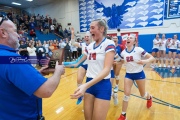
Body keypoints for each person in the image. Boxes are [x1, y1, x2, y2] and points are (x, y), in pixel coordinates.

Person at [0, 15, 65, 119]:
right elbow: (46, 90)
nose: (18, 36)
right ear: (3, 33)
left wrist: (37, 74)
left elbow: (9, 83)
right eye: (15, 31)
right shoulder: (13, 59)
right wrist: (58, 71)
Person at [71, 19, 115, 120]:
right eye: (90, 28)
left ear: (102, 29)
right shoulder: (90, 46)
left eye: (92, 28)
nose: (90, 31)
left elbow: (107, 69)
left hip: (102, 85)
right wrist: (58, 64)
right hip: (89, 83)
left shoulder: (109, 44)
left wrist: (85, 85)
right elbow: (77, 63)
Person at [118, 35, 155, 120]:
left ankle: (149, 97)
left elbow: (152, 58)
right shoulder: (123, 52)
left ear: (134, 42)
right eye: (127, 38)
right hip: (128, 75)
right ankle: (123, 115)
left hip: (139, 74)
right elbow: (121, 61)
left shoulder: (139, 50)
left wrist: (145, 61)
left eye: (131, 38)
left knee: (143, 94)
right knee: (126, 94)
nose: (128, 39)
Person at [68, 27, 92, 105]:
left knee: (90, 84)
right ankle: (80, 97)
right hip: (83, 64)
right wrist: (72, 34)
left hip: (92, 66)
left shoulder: (94, 45)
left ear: (91, 37)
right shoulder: (83, 44)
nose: (86, 37)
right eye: (85, 36)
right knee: (79, 80)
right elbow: (73, 43)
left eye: (88, 36)